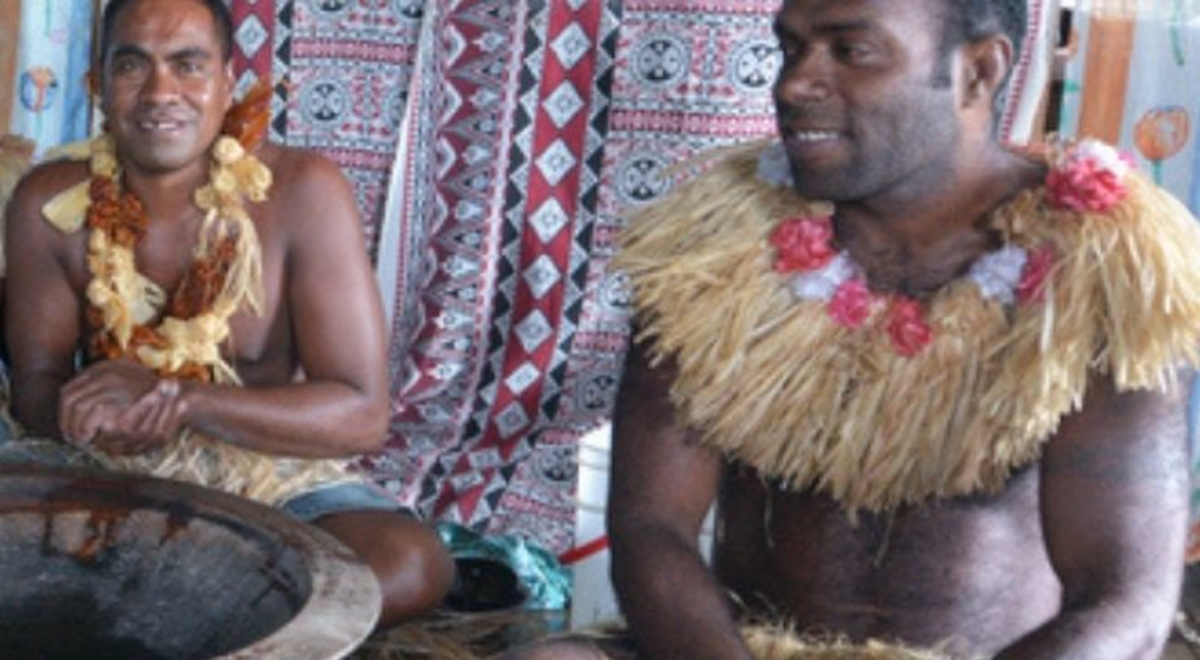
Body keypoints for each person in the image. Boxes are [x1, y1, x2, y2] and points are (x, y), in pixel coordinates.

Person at [505, 0, 1200, 658]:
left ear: (979, 72)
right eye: (791, 47)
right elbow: (651, 526)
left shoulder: (1106, 268)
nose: (794, 83)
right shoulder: (712, 250)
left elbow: (1123, 602)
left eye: (851, 50)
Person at [3, 0, 453, 628]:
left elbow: (360, 414)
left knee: (408, 564)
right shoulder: (49, 201)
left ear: (226, 82)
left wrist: (181, 402)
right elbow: (33, 392)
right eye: (133, 65)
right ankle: (200, 603)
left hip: (269, 475)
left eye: (188, 65)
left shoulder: (303, 191)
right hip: (103, 470)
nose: (162, 92)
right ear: (98, 84)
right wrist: (88, 416)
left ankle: (149, 601)